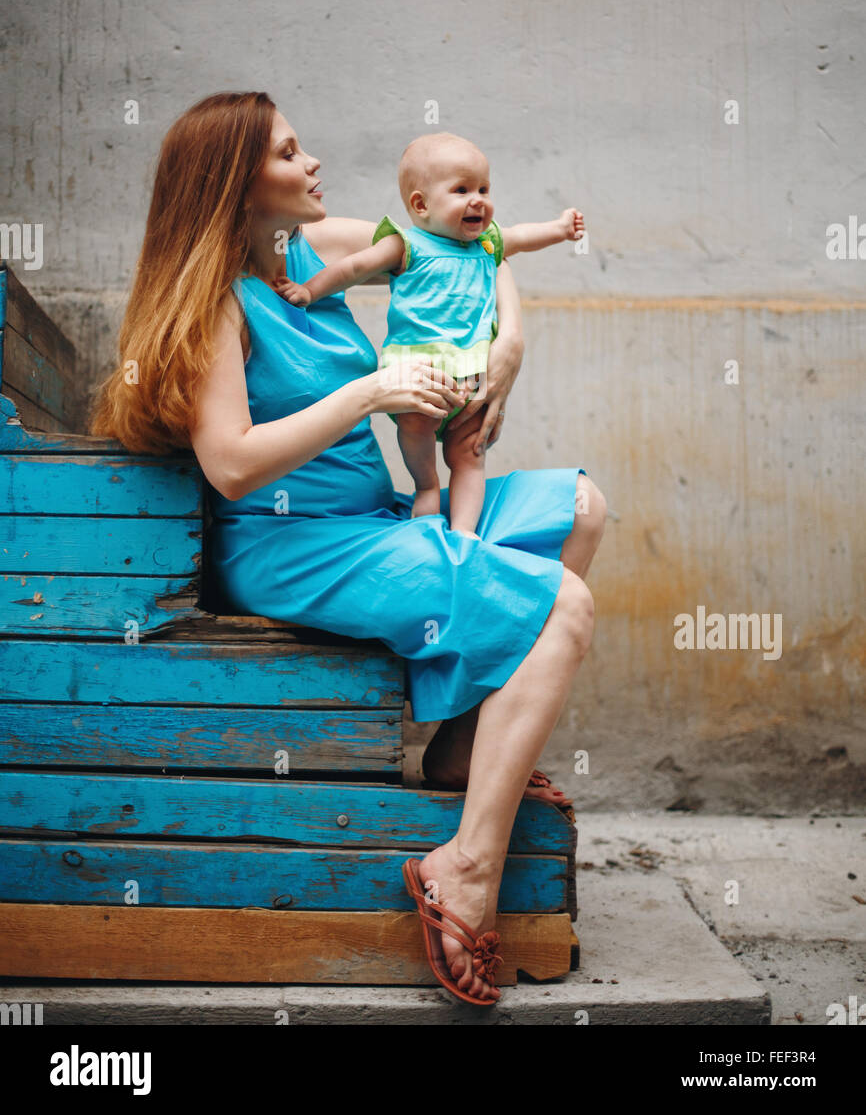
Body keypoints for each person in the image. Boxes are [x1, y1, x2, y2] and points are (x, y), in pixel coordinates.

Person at [89, 91, 606, 1006]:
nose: (314, 163)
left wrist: (509, 349)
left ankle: (457, 750)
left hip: (378, 519)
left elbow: (471, 247)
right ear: (237, 186)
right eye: (290, 154)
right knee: (562, 608)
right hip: (294, 544)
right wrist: (372, 391)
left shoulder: (305, 252)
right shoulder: (220, 306)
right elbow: (233, 466)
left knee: (579, 508)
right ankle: (465, 868)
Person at [274, 130, 584, 535]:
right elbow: (354, 268)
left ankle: (465, 531)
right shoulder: (407, 245)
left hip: (471, 374)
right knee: (415, 431)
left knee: (470, 454)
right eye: (461, 190)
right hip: (418, 372)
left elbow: (522, 238)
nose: (479, 199)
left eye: (484, 188)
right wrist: (309, 290)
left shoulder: (487, 245)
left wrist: (560, 229)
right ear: (421, 205)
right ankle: (426, 487)